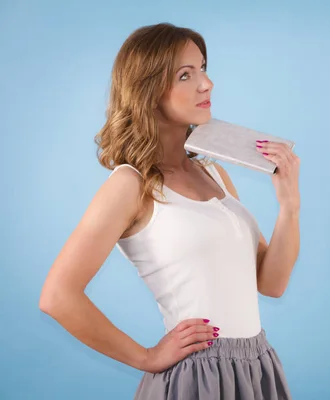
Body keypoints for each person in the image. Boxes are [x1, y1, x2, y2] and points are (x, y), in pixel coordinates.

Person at [39, 22, 300, 400]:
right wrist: (146, 357)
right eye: (185, 75)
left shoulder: (216, 173)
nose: (206, 84)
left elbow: (271, 283)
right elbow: (57, 296)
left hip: (256, 367)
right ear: (148, 90)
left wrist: (289, 206)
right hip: (197, 378)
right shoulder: (131, 184)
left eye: (203, 68)